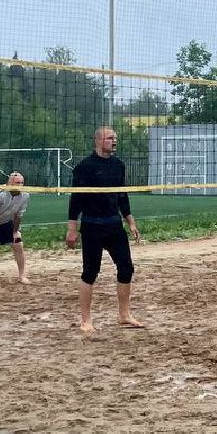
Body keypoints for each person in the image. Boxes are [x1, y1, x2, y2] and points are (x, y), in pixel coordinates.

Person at [66, 127, 143, 335]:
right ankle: (86, 320)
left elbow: (122, 195)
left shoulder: (118, 165)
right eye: (110, 138)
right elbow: (76, 200)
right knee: (90, 272)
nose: (114, 141)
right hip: (92, 225)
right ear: (98, 140)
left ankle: (124, 315)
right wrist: (72, 229)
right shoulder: (85, 167)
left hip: (114, 224)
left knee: (126, 268)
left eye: (115, 138)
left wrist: (131, 222)